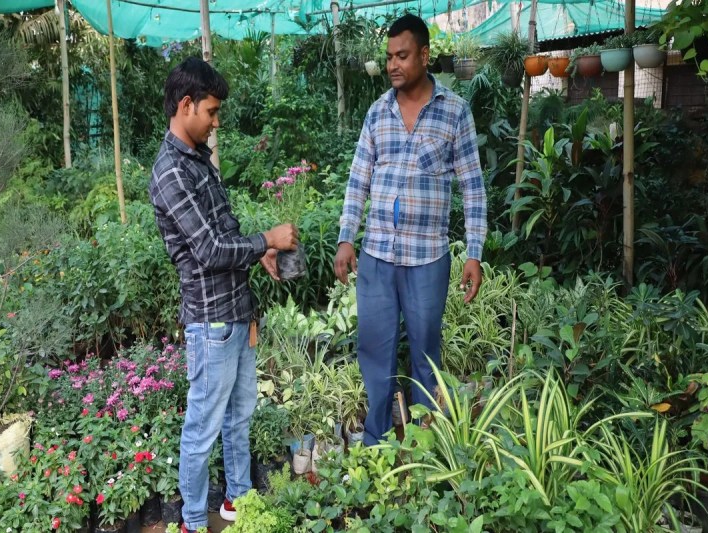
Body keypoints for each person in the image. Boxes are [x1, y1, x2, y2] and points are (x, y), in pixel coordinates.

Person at [150, 57, 298, 533]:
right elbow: (210, 250)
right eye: (211, 112)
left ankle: (238, 501)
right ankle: (193, 522)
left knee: (238, 418)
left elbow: (224, 232)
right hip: (211, 322)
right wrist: (267, 239)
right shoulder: (171, 171)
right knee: (202, 429)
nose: (216, 123)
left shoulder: (198, 160)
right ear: (186, 105)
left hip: (237, 314)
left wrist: (260, 253)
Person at [333, 14, 487, 446]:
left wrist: (474, 252)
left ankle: (424, 449)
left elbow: (473, 187)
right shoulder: (377, 112)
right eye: (388, 57)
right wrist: (346, 238)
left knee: (425, 355)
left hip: (427, 259)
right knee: (375, 354)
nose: (392, 65)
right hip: (377, 257)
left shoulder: (454, 112)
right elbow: (358, 179)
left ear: (424, 55)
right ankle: (376, 447)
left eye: (401, 56)